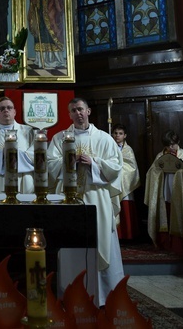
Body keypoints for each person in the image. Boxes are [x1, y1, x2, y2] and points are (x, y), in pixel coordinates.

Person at [47, 98, 123, 306]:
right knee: (70, 244)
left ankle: (105, 296)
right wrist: (67, 160)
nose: (78, 113)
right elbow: (49, 164)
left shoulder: (104, 138)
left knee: (101, 242)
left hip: (96, 197)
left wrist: (94, 163)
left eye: (81, 109)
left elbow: (116, 166)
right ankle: (71, 293)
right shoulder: (59, 138)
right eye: (73, 110)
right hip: (68, 198)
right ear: (69, 114)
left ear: (88, 110)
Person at [143, 130, 183, 256]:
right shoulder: (160, 155)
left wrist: (181, 170)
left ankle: (180, 247)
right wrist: (158, 171)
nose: (170, 148)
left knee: (179, 216)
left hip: (180, 195)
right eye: (167, 145)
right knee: (165, 216)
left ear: (178, 142)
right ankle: (165, 245)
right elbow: (151, 172)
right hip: (165, 192)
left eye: (172, 144)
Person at [27, 0, 65, 69]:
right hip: (39, 10)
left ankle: (54, 58)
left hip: (50, 11)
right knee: (40, 32)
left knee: (51, 31)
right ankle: (41, 59)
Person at [112, 123, 140, 240]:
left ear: (125, 135)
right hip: (113, 181)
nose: (117, 136)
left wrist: (120, 171)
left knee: (126, 206)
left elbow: (132, 167)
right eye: (115, 133)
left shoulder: (128, 150)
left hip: (125, 183)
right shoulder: (109, 147)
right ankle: (117, 234)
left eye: (120, 133)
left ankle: (128, 234)